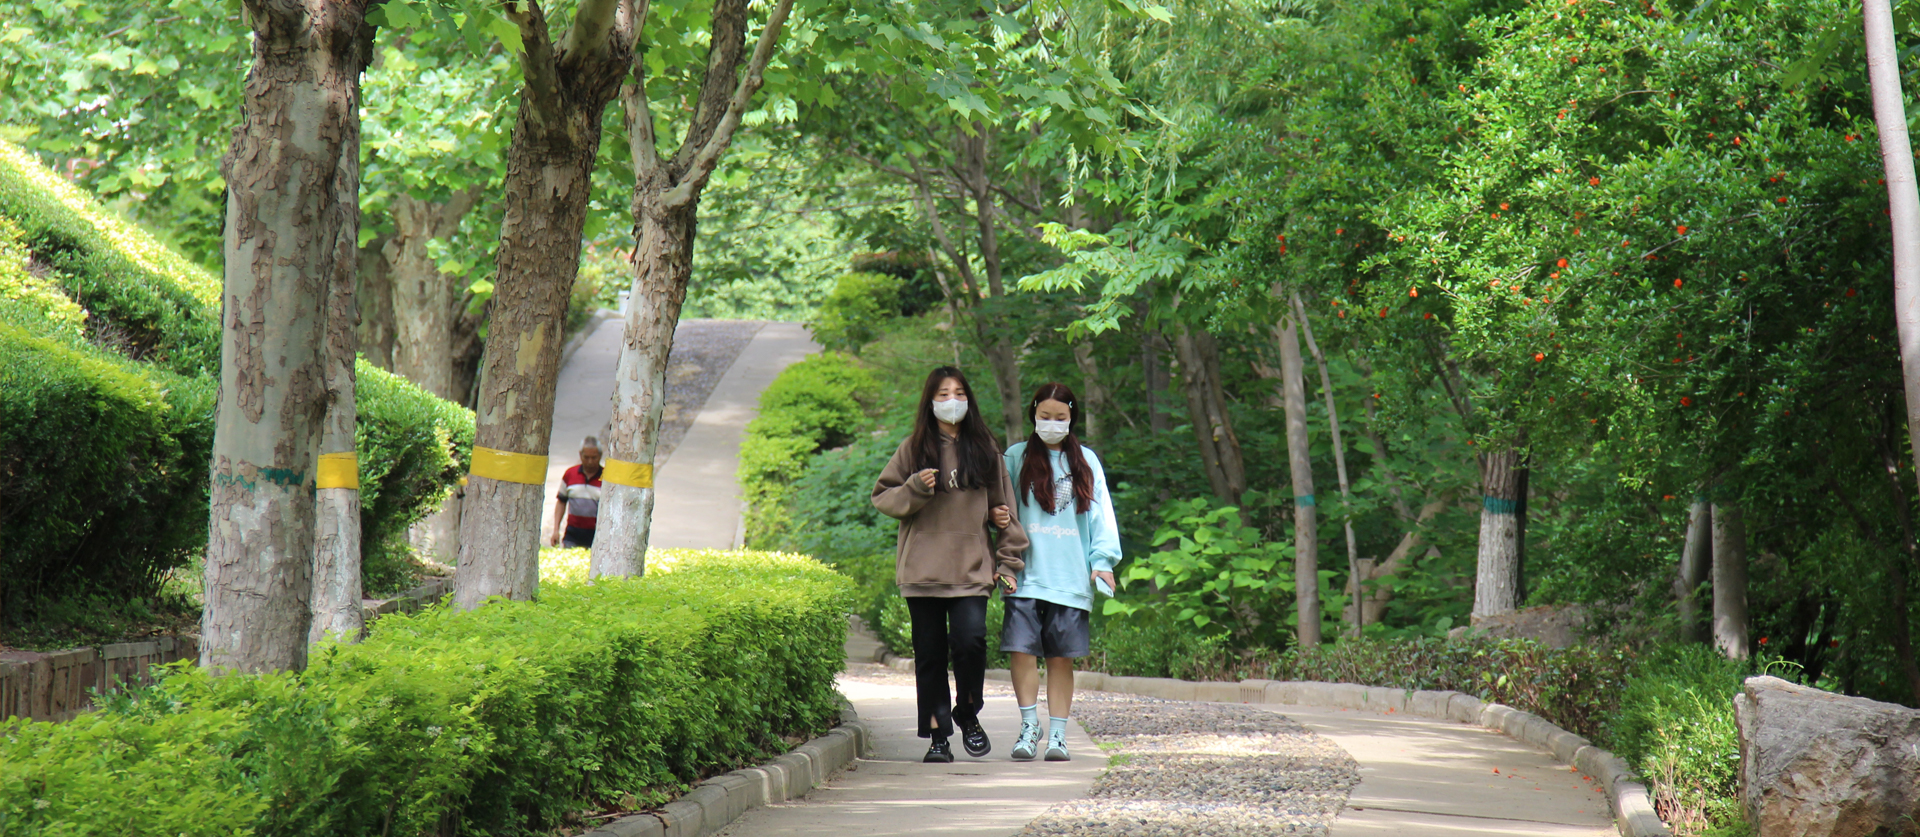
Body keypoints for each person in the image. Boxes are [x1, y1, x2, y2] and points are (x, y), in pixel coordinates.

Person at [872, 366, 1029, 763]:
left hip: (972, 571)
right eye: (943, 394)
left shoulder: (985, 450)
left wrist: (1008, 563)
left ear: (969, 400)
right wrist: (915, 488)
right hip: (921, 573)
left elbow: (1006, 511)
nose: (952, 400)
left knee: (971, 642)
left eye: (958, 393)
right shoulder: (913, 448)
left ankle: (968, 714)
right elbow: (883, 498)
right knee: (929, 655)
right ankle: (939, 736)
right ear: (930, 401)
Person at [994, 382, 1119, 762]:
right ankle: (1029, 726)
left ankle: (1059, 735)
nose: (1051, 424)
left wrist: (1103, 562)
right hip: (1024, 573)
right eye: (1044, 417)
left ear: (1071, 419)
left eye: (1059, 418)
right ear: (1033, 415)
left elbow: (1101, 515)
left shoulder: (1086, 461)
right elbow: (995, 504)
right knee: (1021, 651)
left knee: (1061, 658)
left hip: (1069, 577)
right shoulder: (1014, 458)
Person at [548, 437, 603, 548]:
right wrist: (555, 529)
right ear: (580, 455)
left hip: (597, 536)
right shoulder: (570, 474)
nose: (590, 461)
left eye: (594, 457)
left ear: (600, 456)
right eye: (586, 457)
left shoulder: (606, 478)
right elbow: (561, 502)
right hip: (572, 535)